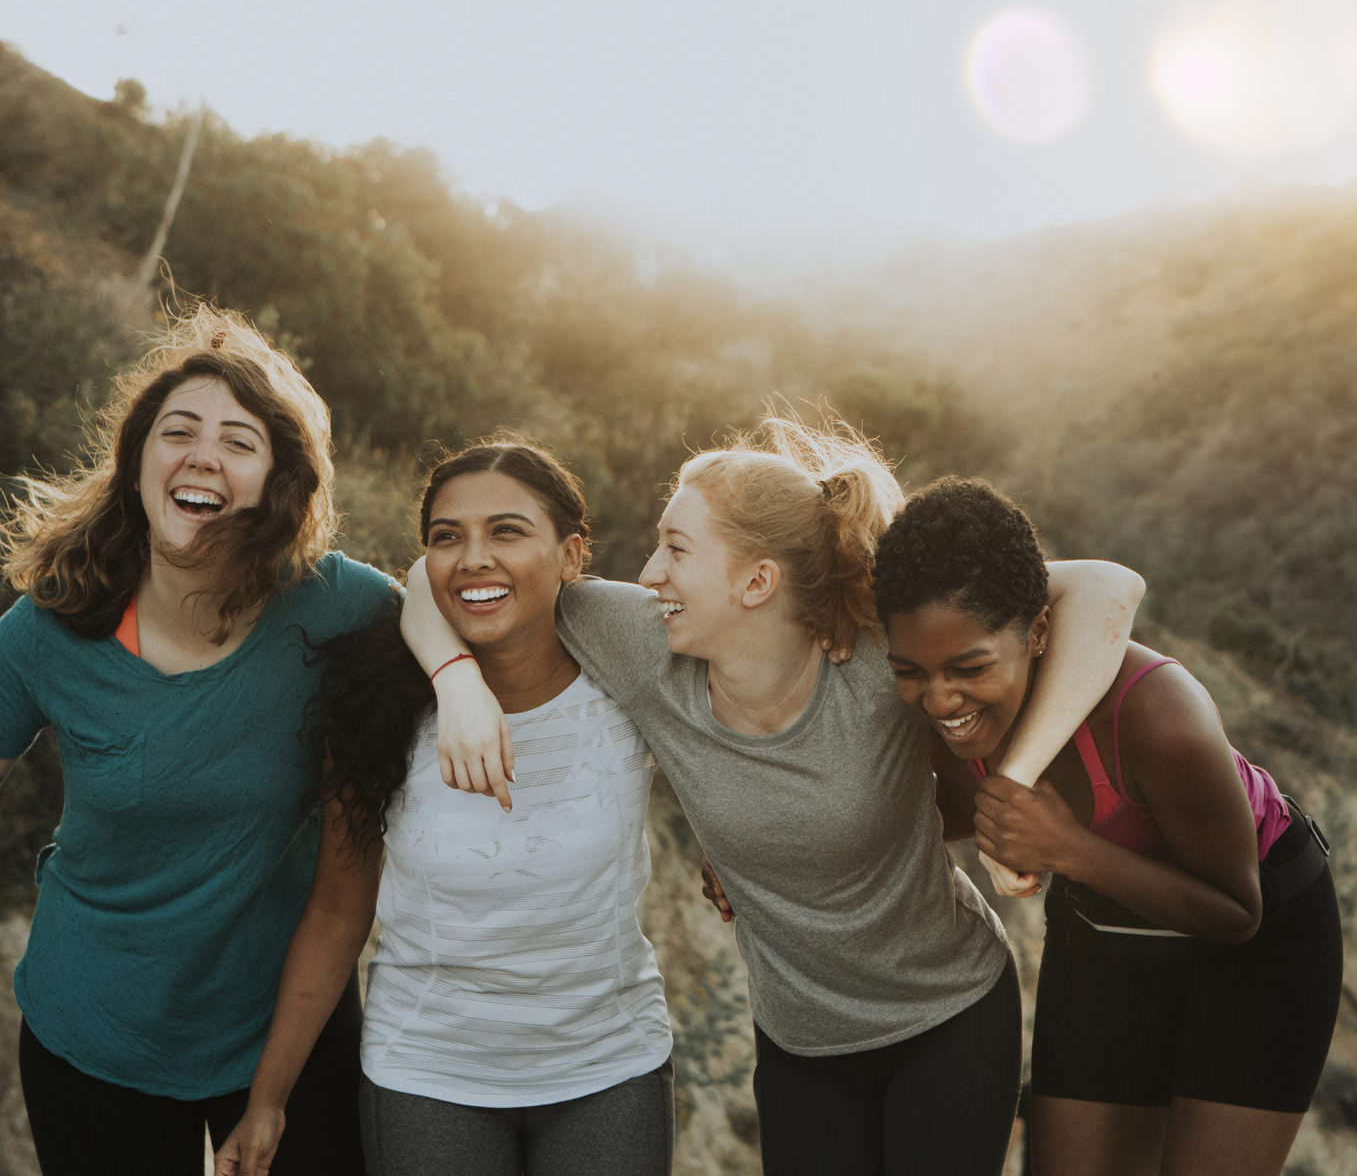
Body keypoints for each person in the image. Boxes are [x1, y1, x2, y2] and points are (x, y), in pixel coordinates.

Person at [405, 418, 1143, 1176]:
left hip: (950, 1014)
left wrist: (1015, 779)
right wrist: (454, 680)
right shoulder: (640, 642)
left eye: (677, 550)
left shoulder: (873, 656)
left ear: (757, 582)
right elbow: (443, 581)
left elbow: (1107, 588)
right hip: (801, 1045)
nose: (650, 572)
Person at [213, 440, 674, 1176]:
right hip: (427, 1077)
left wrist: (728, 846)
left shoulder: (627, 680)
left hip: (608, 1068)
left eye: (508, 531)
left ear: (572, 556)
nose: (473, 558)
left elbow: (738, 725)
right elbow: (337, 911)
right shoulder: (377, 707)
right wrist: (269, 1098)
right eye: (446, 537)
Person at [0, 308, 389, 1174]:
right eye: (177, 431)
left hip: (288, 1020)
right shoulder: (53, 625)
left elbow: (450, 593)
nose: (202, 454)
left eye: (239, 441)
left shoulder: (335, 607)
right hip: (93, 1030)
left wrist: (462, 682)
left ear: (280, 481)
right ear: (138, 463)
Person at [873, 477, 1342, 1176]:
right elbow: (895, 823)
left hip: (1261, 946)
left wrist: (1070, 849)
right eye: (911, 671)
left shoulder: (1158, 716)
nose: (940, 698)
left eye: (969, 667)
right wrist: (752, 860)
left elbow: (1238, 912)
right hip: (1105, 934)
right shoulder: (942, 717)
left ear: (1037, 631)